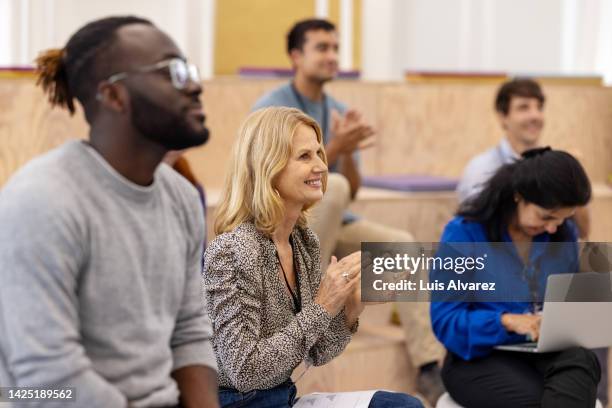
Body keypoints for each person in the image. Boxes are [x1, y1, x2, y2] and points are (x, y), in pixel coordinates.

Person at [0, 16, 219, 407]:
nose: (196, 85)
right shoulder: (41, 200)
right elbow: (47, 380)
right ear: (115, 96)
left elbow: (189, 334)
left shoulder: (181, 198)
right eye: (173, 71)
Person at [252, 18, 445, 404]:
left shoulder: (339, 109)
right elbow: (268, 175)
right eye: (321, 48)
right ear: (295, 56)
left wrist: (348, 147)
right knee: (333, 184)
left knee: (402, 245)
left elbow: (351, 189)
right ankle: (309, 294)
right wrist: (334, 147)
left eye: (336, 48)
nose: (332, 56)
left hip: (331, 219)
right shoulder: (271, 108)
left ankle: (427, 366)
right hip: (281, 221)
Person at [204, 107, 423, 408]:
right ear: (269, 166)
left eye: (319, 153)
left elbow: (318, 352)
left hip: (283, 398)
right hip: (236, 403)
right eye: (305, 156)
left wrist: (349, 309)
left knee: (403, 406)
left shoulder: (304, 242)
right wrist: (324, 306)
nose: (321, 165)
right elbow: (245, 371)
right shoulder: (232, 251)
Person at [432, 148, 601, 408]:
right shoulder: (464, 235)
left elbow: (566, 305)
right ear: (518, 196)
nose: (553, 227)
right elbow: (446, 321)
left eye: (563, 219)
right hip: (477, 356)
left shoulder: (560, 234)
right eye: (546, 216)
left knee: (583, 360)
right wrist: (507, 321)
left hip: (539, 350)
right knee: (538, 399)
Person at [456, 77, 591, 239]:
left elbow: (582, 234)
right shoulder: (481, 169)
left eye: (539, 107)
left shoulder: (554, 167)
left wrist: (574, 183)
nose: (535, 115)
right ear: (502, 116)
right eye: (523, 107)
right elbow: (477, 228)